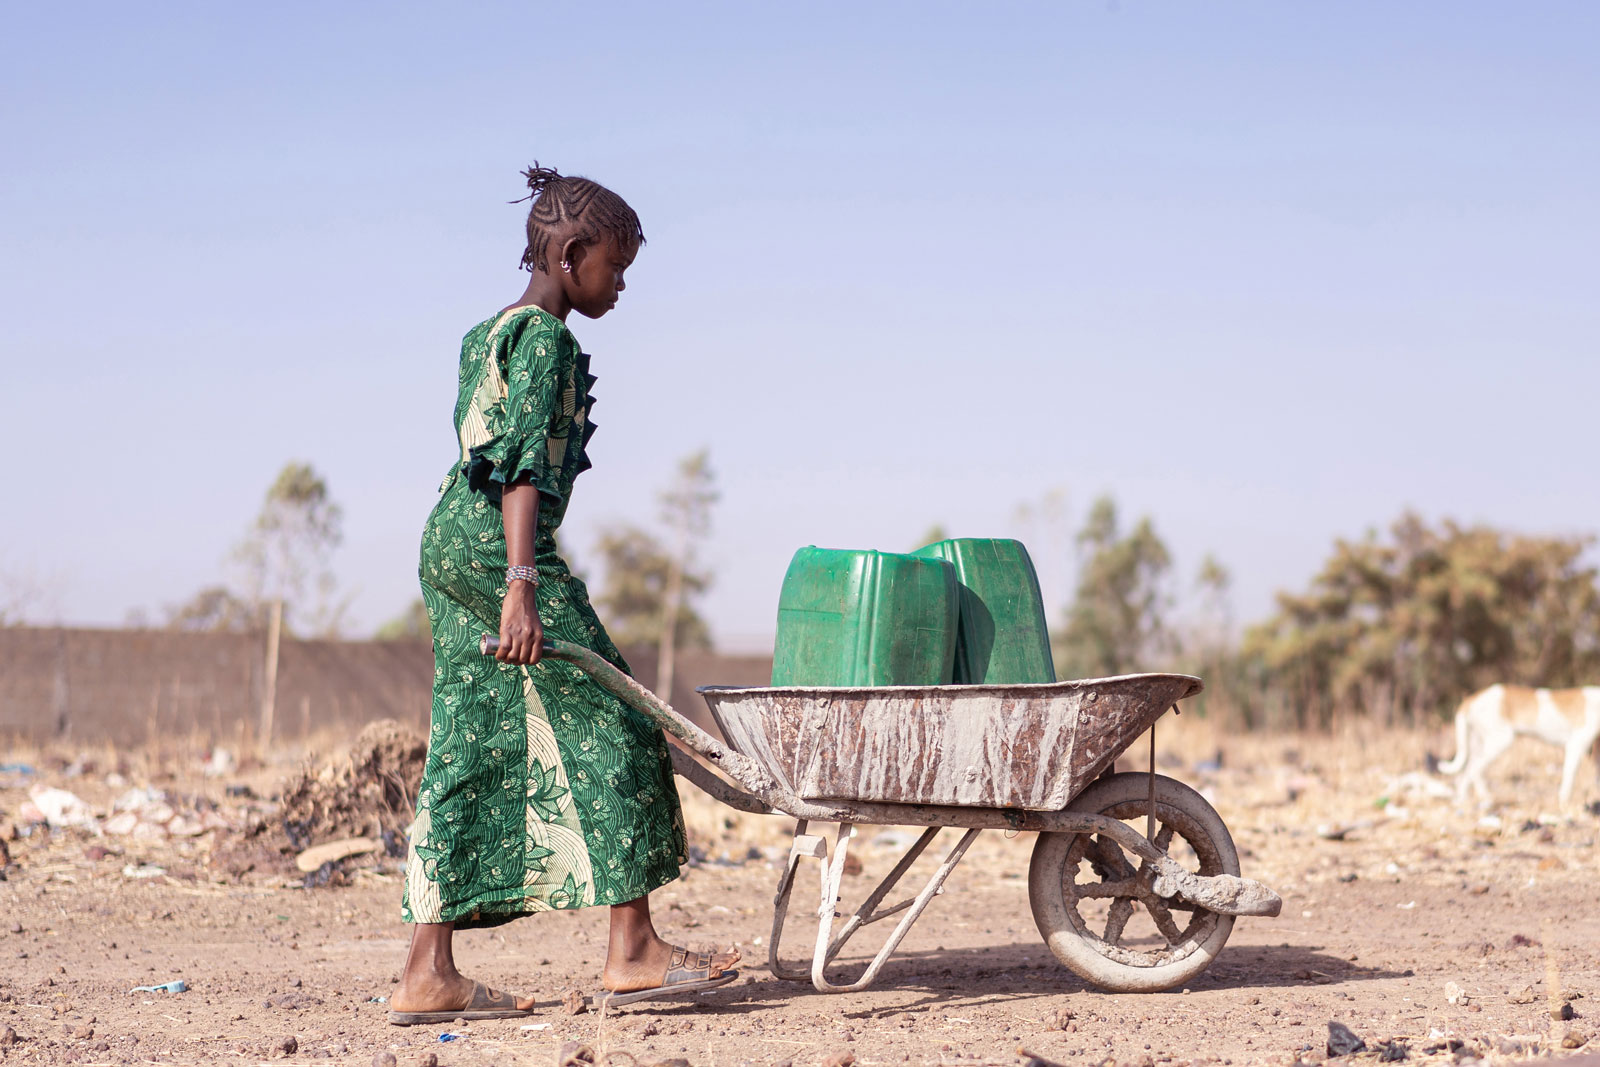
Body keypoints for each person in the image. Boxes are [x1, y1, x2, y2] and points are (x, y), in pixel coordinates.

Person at [388, 164, 739, 1025]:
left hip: (447, 543)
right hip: (502, 552)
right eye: (614, 267)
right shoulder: (545, 341)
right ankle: (634, 948)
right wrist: (521, 585)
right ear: (572, 254)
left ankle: (427, 971)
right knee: (623, 715)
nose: (620, 285)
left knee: (470, 739)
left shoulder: (488, 332)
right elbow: (518, 470)